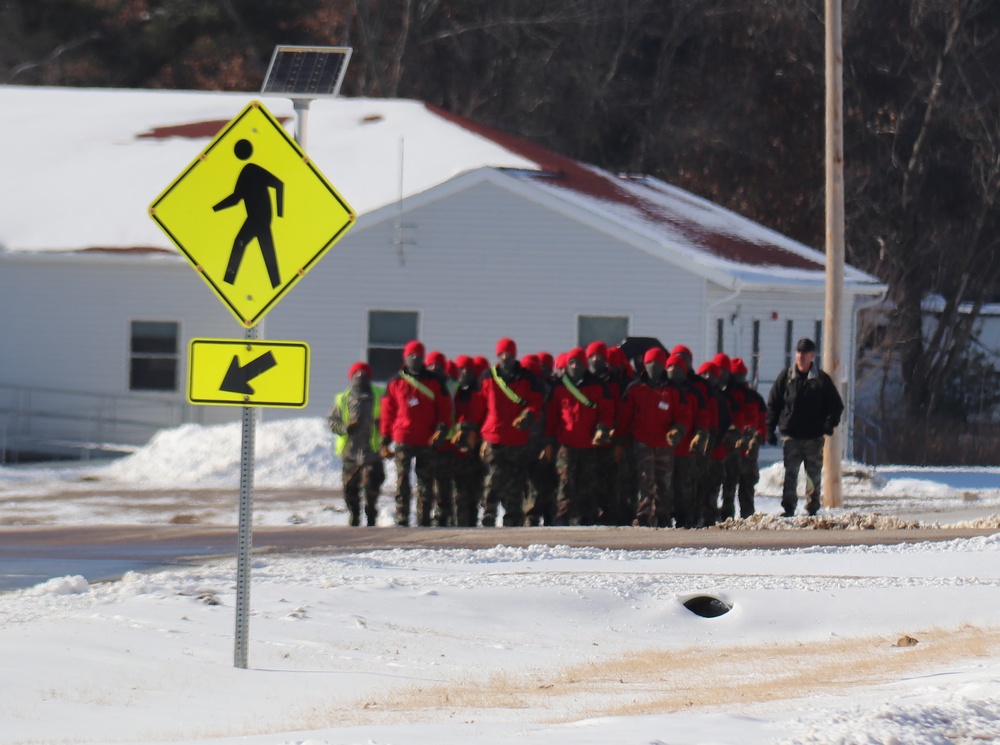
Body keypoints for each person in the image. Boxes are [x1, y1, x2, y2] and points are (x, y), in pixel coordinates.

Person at [766, 338, 845, 517]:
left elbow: (835, 405)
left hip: (813, 437)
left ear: (812, 356)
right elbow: (774, 403)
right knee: (790, 474)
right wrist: (769, 428)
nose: (800, 356)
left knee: (813, 475)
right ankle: (788, 507)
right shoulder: (786, 378)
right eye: (798, 352)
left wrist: (829, 423)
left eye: (805, 353)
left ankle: (812, 507)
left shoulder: (821, 379)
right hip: (791, 436)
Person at [380, 340, 453, 526]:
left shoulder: (435, 381)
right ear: (405, 356)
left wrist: (442, 428)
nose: (415, 358)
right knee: (402, 480)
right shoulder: (395, 382)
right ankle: (402, 517)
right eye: (411, 355)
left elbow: (445, 407)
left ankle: (424, 519)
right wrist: (385, 438)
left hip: (427, 439)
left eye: (418, 356)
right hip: (403, 437)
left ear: (423, 358)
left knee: (425, 483)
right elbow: (388, 411)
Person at [619, 348, 693, 527]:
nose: (654, 367)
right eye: (651, 363)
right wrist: (621, 440)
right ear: (645, 364)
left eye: (658, 363)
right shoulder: (635, 388)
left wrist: (678, 430)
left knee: (664, 481)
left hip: (664, 443)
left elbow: (683, 415)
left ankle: (663, 516)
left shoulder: (673, 391)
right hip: (642, 440)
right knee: (645, 479)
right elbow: (624, 416)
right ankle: (644, 516)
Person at [479, 338, 545, 526]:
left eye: (508, 353)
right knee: (494, 476)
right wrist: (474, 432)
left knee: (516, 479)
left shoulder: (527, 378)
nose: (505, 356)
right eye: (502, 353)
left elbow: (536, 402)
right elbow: (479, 406)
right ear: (497, 354)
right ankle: (489, 512)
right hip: (494, 435)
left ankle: (513, 516)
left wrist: (528, 414)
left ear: (515, 354)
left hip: (517, 437)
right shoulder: (487, 377)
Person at [546, 347, 615, 525]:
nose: (575, 366)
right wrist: (548, 442)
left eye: (578, 362)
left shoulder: (599, 385)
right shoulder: (559, 386)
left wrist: (602, 428)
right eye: (572, 363)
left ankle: (586, 518)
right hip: (566, 443)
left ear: (585, 364)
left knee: (588, 483)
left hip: (589, 443)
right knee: (565, 482)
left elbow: (607, 410)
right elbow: (551, 415)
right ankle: (563, 517)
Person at [327, 362, 385, 527]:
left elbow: (392, 416)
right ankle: (354, 515)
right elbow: (332, 421)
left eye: (364, 375)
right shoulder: (343, 399)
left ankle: (371, 516)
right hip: (350, 452)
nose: (360, 378)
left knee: (371, 487)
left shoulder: (380, 395)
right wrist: (345, 428)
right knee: (349, 489)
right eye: (357, 375)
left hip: (372, 451)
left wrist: (382, 425)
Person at [450, 355, 487, 527]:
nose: (465, 372)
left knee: (474, 492)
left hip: (474, 448)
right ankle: (459, 524)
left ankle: (471, 524)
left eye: (468, 369)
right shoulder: (454, 392)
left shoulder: (478, 392)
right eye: (461, 369)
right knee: (459, 493)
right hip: (456, 450)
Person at [728, 357, 767, 518]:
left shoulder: (727, 395)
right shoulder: (753, 397)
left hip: (736, 449)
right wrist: (758, 439)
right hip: (743, 451)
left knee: (731, 489)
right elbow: (763, 425)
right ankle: (746, 517)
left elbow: (762, 424)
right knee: (745, 490)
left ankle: (729, 516)